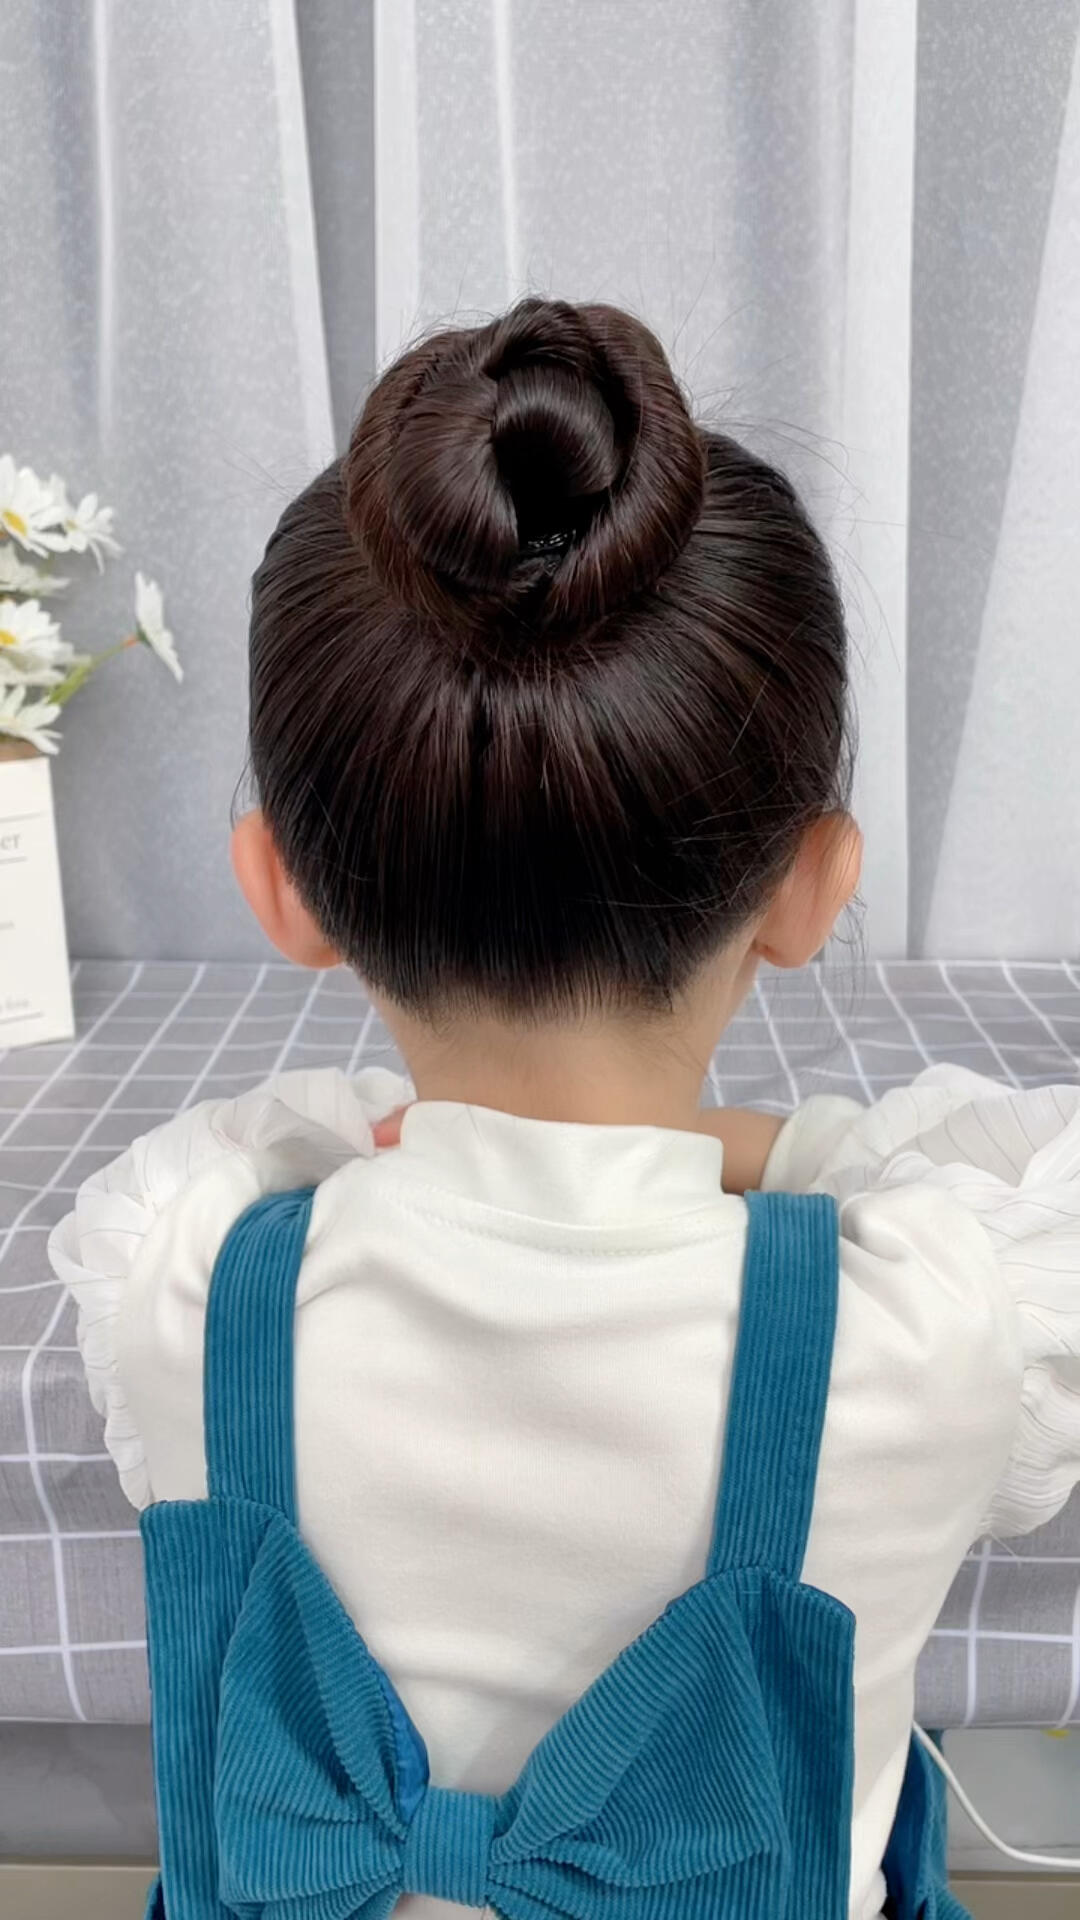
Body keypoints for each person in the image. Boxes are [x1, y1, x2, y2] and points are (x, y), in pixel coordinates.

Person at [51, 297, 1080, 1919]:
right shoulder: (929, 1336)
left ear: (282, 889)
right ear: (812, 888)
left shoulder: (177, 1286)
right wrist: (762, 1146)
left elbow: (280, 1140)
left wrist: (466, 1136)